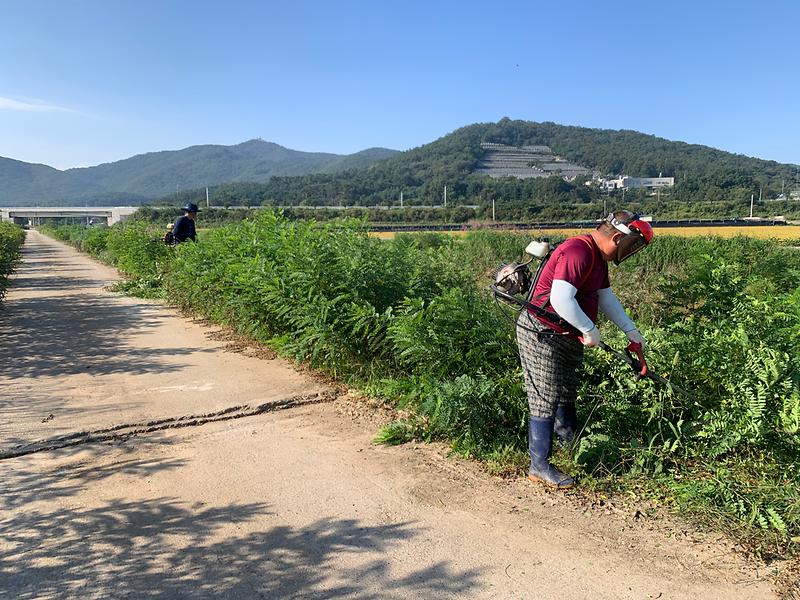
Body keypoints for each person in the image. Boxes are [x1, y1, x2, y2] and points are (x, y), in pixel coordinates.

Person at [516, 210, 654, 489]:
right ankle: (538, 466)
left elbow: (606, 297)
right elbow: (561, 299)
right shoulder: (577, 250)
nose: (629, 252)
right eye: (630, 245)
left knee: (567, 389)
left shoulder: (598, 258)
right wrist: (590, 330)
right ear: (616, 237)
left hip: (568, 333)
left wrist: (631, 331)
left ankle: (569, 443)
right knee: (546, 394)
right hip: (541, 331)